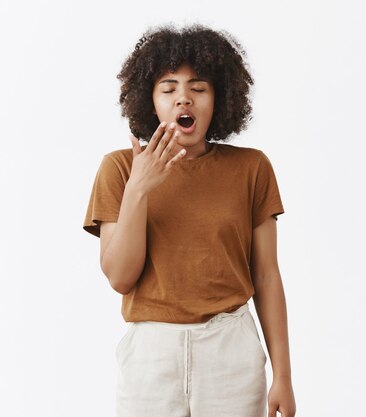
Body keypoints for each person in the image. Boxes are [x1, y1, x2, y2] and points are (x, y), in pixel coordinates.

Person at [82, 23, 296, 417]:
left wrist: (282, 375)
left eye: (198, 88)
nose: (184, 99)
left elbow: (267, 275)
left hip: (230, 349)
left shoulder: (251, 168)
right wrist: (139, 188)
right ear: (150, 101)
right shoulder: (119, 168)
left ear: (219, 98)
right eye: (169, 89)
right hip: (150, 355)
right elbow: (120, 278)